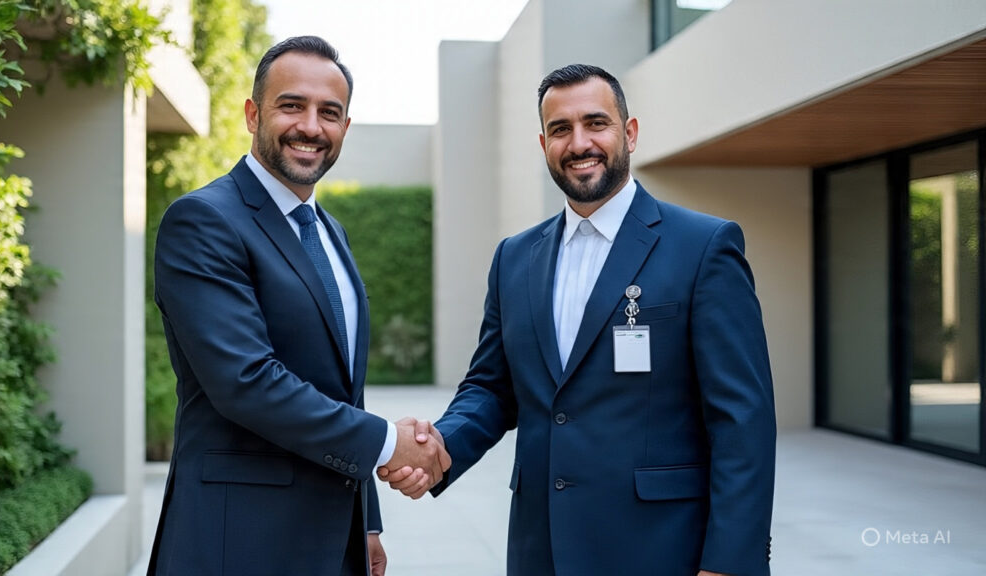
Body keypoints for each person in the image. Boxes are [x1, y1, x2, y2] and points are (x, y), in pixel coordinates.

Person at [382, 64, 776, 576]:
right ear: (543, 142)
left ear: (629, 134)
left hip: (663, 550)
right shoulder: (515, 257)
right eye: (561, 129)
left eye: (596, 123)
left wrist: (729, 562)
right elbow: (491, 386)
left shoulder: (704, 247)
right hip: (540, 547)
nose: (579, 143)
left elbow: (743, 419)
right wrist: (439, 448)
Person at [147, 36, 449, 576]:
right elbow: (246, 381)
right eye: (292, 106)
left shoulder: (331, 233)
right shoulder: (203, 221)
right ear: (252, 113)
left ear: (345, 129)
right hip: (238, 540)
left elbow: (344, 390)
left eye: (329, 113)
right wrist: (388, 443)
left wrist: (367, 522)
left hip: (334, 541)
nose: (311, 126)